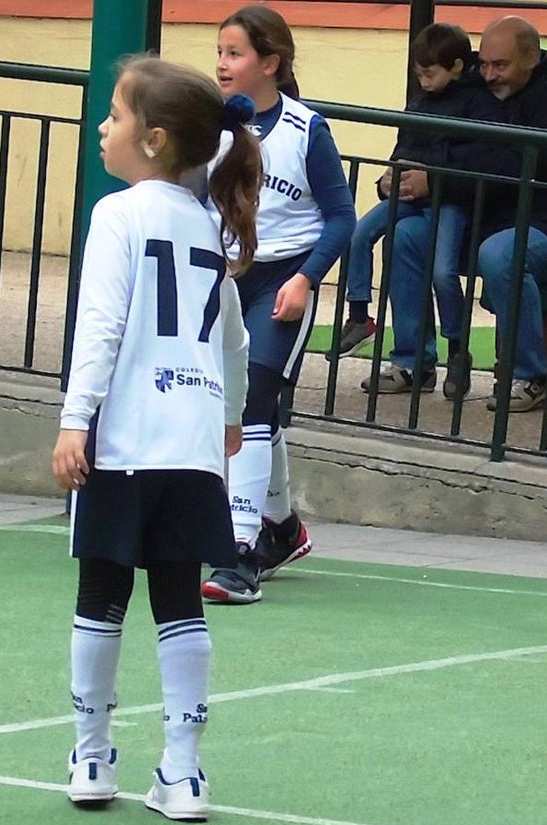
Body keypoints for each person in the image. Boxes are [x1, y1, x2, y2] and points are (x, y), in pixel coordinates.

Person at [52, 56, 259, 820]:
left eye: (114, 115)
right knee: (179, 602)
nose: (103, 126)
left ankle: (93, 755)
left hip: (129, 441)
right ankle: (184, 771)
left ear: (155, 139)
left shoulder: (120, 212)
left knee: (103, 593)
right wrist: (232, 413)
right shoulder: (210, 225)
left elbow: (100, 324)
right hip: (194, 444)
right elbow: (235, 341)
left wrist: (77, 418)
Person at [364, 15, 547, 412]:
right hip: (485, 217)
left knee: (499, 254)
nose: (490, 74)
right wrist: (397, 176)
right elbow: (429, 139)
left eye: (501, 65)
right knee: (406, 237)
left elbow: (514, 164)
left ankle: (530, 376)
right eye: (485, 64)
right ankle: (412, 362)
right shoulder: (475, 89)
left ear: (531, 58)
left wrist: (437, 177)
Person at [199, 5, 356, 605]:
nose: (222, 63)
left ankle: (238, 554)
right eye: (220, 51)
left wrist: (308, 278)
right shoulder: (211, 129)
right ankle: (283, 528)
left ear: (271, 63)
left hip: (282, 280)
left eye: (235, 53)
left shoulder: (305, 130)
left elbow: (343, 217)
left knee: (255, 402)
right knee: (234, 408)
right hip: (225, 279)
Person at [331, 22, 505, 400]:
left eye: (430, 73)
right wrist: (387, 180)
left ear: (457, 66)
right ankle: (363, 318)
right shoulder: (421, 99)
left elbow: (481, 159)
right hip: (411, 198)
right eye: (419, 74)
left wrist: (435, 176)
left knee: (444, 270)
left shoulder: (478, 103)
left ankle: (456, 349)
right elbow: (404, 143)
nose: (423, 81)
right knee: (361, 233)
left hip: (450, 203)